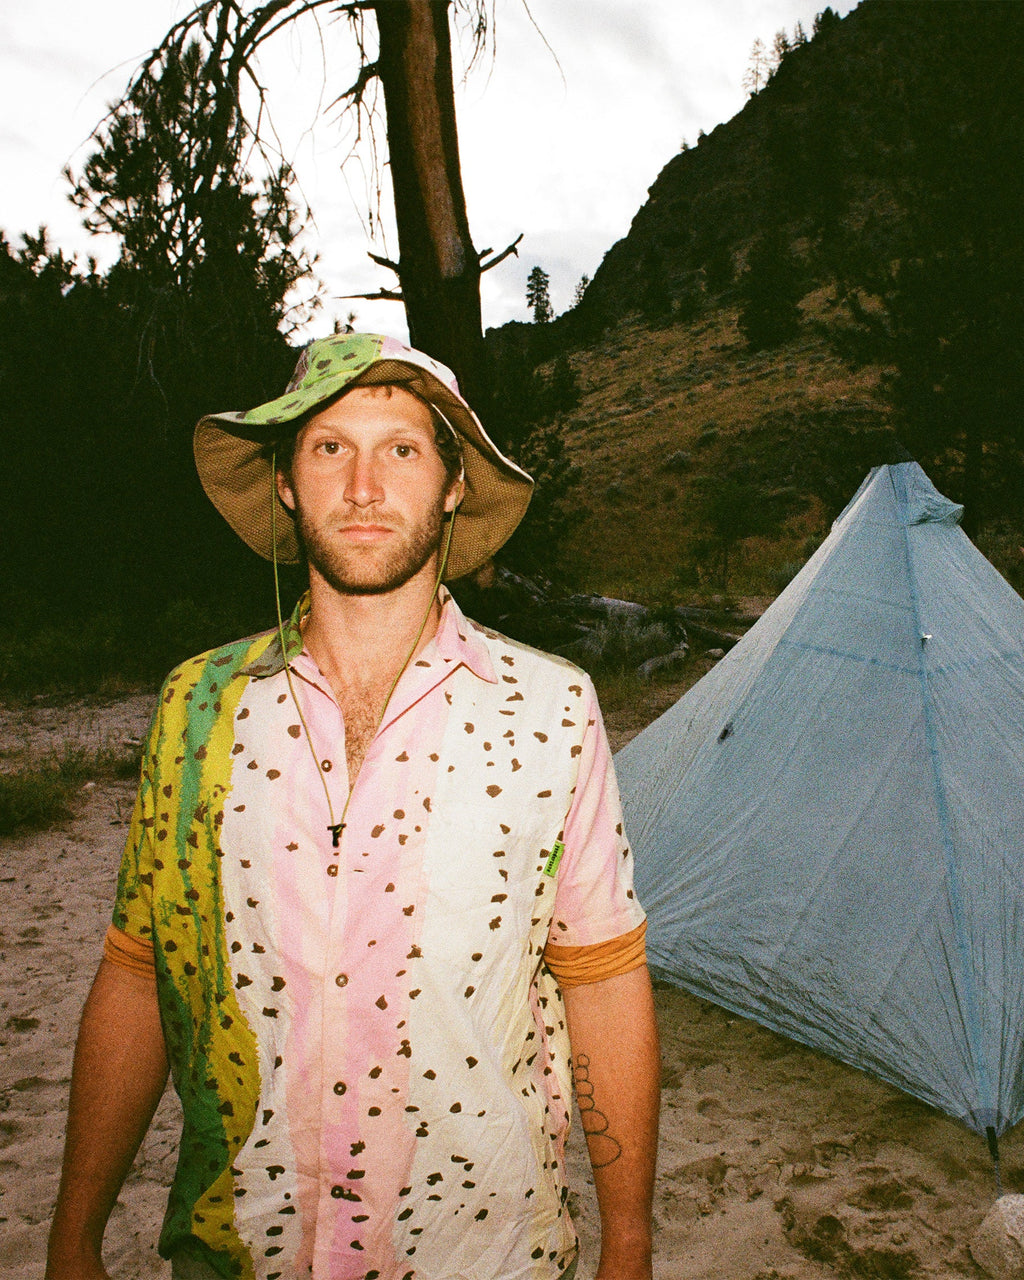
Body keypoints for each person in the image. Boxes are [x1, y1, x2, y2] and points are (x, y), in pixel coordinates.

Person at [46, 333, 659, 1280]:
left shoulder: (552, 712)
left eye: (403, 449)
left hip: (484, 1257)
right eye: (331, 446)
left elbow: (604, 978)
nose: (364, 486)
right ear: (287, 481)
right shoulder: (196, 708)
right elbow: (137, 969)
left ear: (454, 485)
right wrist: (73, 1235)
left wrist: (629, 1245)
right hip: (237, 1250)